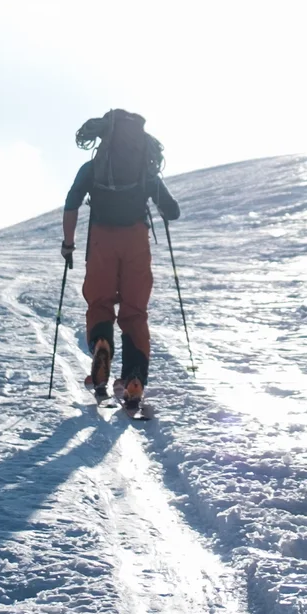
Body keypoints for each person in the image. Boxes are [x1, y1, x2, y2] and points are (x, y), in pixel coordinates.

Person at [62, 109, 181, 412]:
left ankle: (102, 346)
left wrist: (69, 244)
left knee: (100, 303)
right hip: (136, 240)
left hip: (102, 239)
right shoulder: (144, 168)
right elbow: (172, 209)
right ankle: (134, 378)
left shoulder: (92, 168)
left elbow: (72, 202)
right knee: (135, 312)